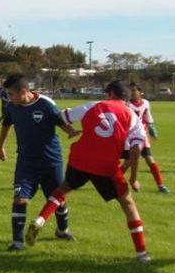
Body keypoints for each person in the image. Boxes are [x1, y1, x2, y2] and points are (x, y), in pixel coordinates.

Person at [25, 80, 151, 263]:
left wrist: (70, 125)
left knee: (63, 189)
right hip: (106, 165)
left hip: (80, 159)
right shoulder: (131, 116)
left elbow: (61, 116)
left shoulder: (94, 105)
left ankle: (40, 220)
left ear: (111, 94)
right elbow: (135, 150)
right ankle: (142, 254)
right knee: (127, 203)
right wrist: (133, 177)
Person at [0, 74, 77, 251]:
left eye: (11, 94)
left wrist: (69, 130)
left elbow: (59, 120)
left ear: (23, 91)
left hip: (51, 161)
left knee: (57, 199)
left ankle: (62, 231)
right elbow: (6, 125)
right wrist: (0, 147)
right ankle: (18, 243)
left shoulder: (45, 104)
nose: (9, 98)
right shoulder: (12, 107)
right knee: (20, 199)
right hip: (26, 162)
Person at [122, 83, 169, 194]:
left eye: (134, 90)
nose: (132, 93)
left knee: (150, 160)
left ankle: (161, 185)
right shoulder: (126, 104)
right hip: (129, 137)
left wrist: (153, 131)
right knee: (128, 162)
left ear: (140, 92)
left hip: (142, 136)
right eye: (130, 91)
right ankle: (113, 181)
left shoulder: (146, 103)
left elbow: (148, 117)